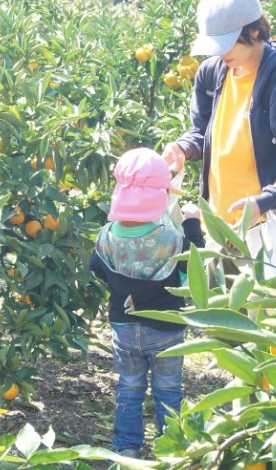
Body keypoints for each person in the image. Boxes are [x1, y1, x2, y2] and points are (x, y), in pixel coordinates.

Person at [161, 0, 276, 227]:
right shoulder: (212, 73)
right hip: (214, 228)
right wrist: (183, 148)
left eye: (228, 42)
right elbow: (201, 132)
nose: (220, 53)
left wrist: (265, 202)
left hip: (265, 233)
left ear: (255, 31)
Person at [89, 147, 206, 458]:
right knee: (168, 389)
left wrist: (123, 286)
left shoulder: (107, 234)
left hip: (124, 326)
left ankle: (125, 449)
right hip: (166, 328)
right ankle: (173, 450)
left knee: (128, 387)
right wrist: (193, 224)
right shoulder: (170, 238)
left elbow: (96, 267)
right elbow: (192, 264)